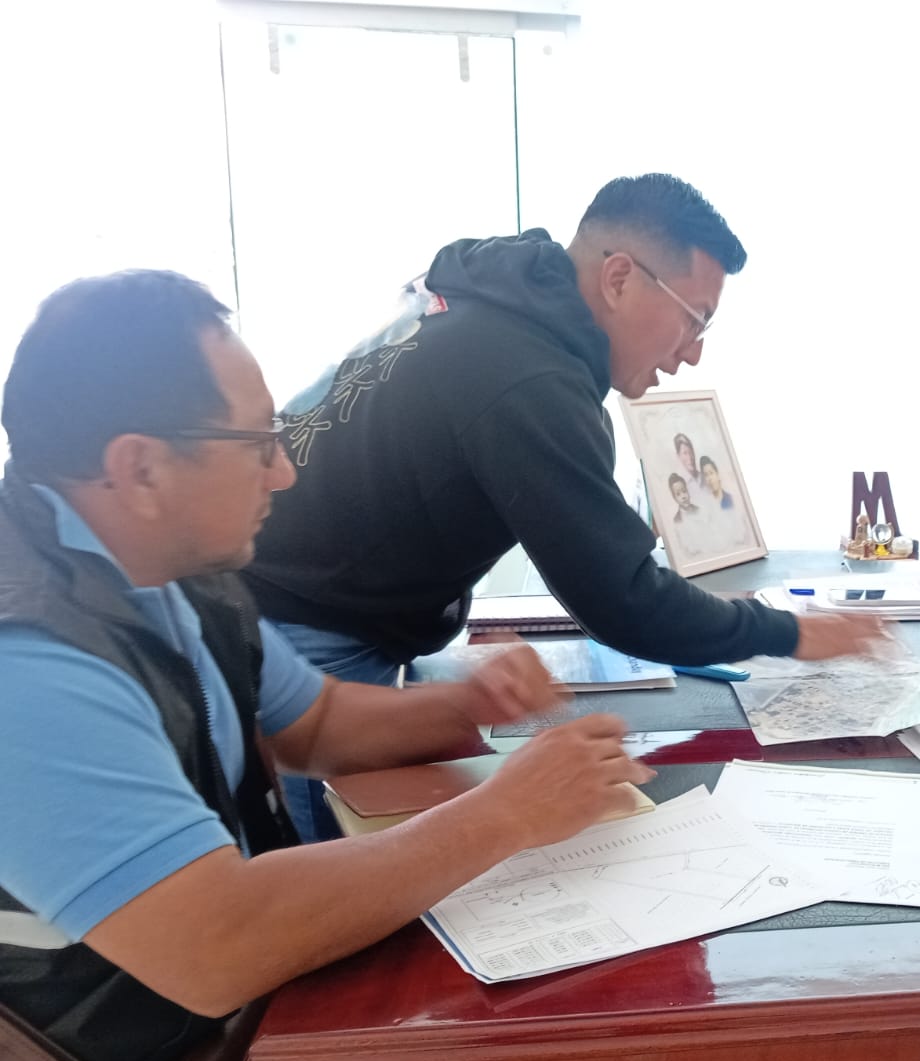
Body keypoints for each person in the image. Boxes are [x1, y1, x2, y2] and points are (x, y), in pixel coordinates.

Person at [0, 270, 654, 1061]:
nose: (285, 471)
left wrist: (472, 705)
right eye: (257, 442)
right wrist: (506, 814)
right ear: (139, 469)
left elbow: (314, 723)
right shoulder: (27, 659)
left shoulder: (168, 569)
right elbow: (217, 943)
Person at [238, 172, 885, 840]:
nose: (693, 352)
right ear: (620, 278)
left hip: (296, 596)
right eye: (694, 320)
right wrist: (789, 632)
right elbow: (624, 600)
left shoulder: (491, 303)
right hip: (307, 625)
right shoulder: (530, 373)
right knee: (343, 870)